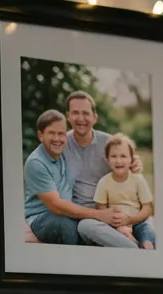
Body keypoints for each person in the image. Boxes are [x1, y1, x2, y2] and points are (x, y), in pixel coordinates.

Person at [64, 91, 153, 248]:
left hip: (124, 211)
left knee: (148, 224)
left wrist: (135, 163)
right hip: (90, 217)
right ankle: (133, 250)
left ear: (94, 117)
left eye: (86, 113)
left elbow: (127, 160)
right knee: (85, 227)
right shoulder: (61, 145)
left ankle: (146, 245)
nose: (81, 118)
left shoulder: (108, 142)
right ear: (68, 116)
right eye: (75, 113)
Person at [23, 110, 117, 245]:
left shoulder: (64, 152)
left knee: (89, 226)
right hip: (43, 216)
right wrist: (98, 215)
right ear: (40, 135)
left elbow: (112, 152)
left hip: (67, 212)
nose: (57, 139)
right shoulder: (36, 163)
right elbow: (56, 206)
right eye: (51, 133)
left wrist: (132, 163)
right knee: (66, 226)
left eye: (61, 133)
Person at [93, 134, 156, 248]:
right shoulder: (104, 182)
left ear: (131, 159)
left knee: (148, 228)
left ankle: (146, 243)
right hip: (116, 223)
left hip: (138, 220)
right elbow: (101, 207)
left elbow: (147, 208)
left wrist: (131, 219)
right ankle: (131, 243)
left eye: (123, 156)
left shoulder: (138, 179)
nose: (118, 161)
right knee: (113, 232)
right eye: (114, 156)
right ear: (107, 160)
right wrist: (116, 222)